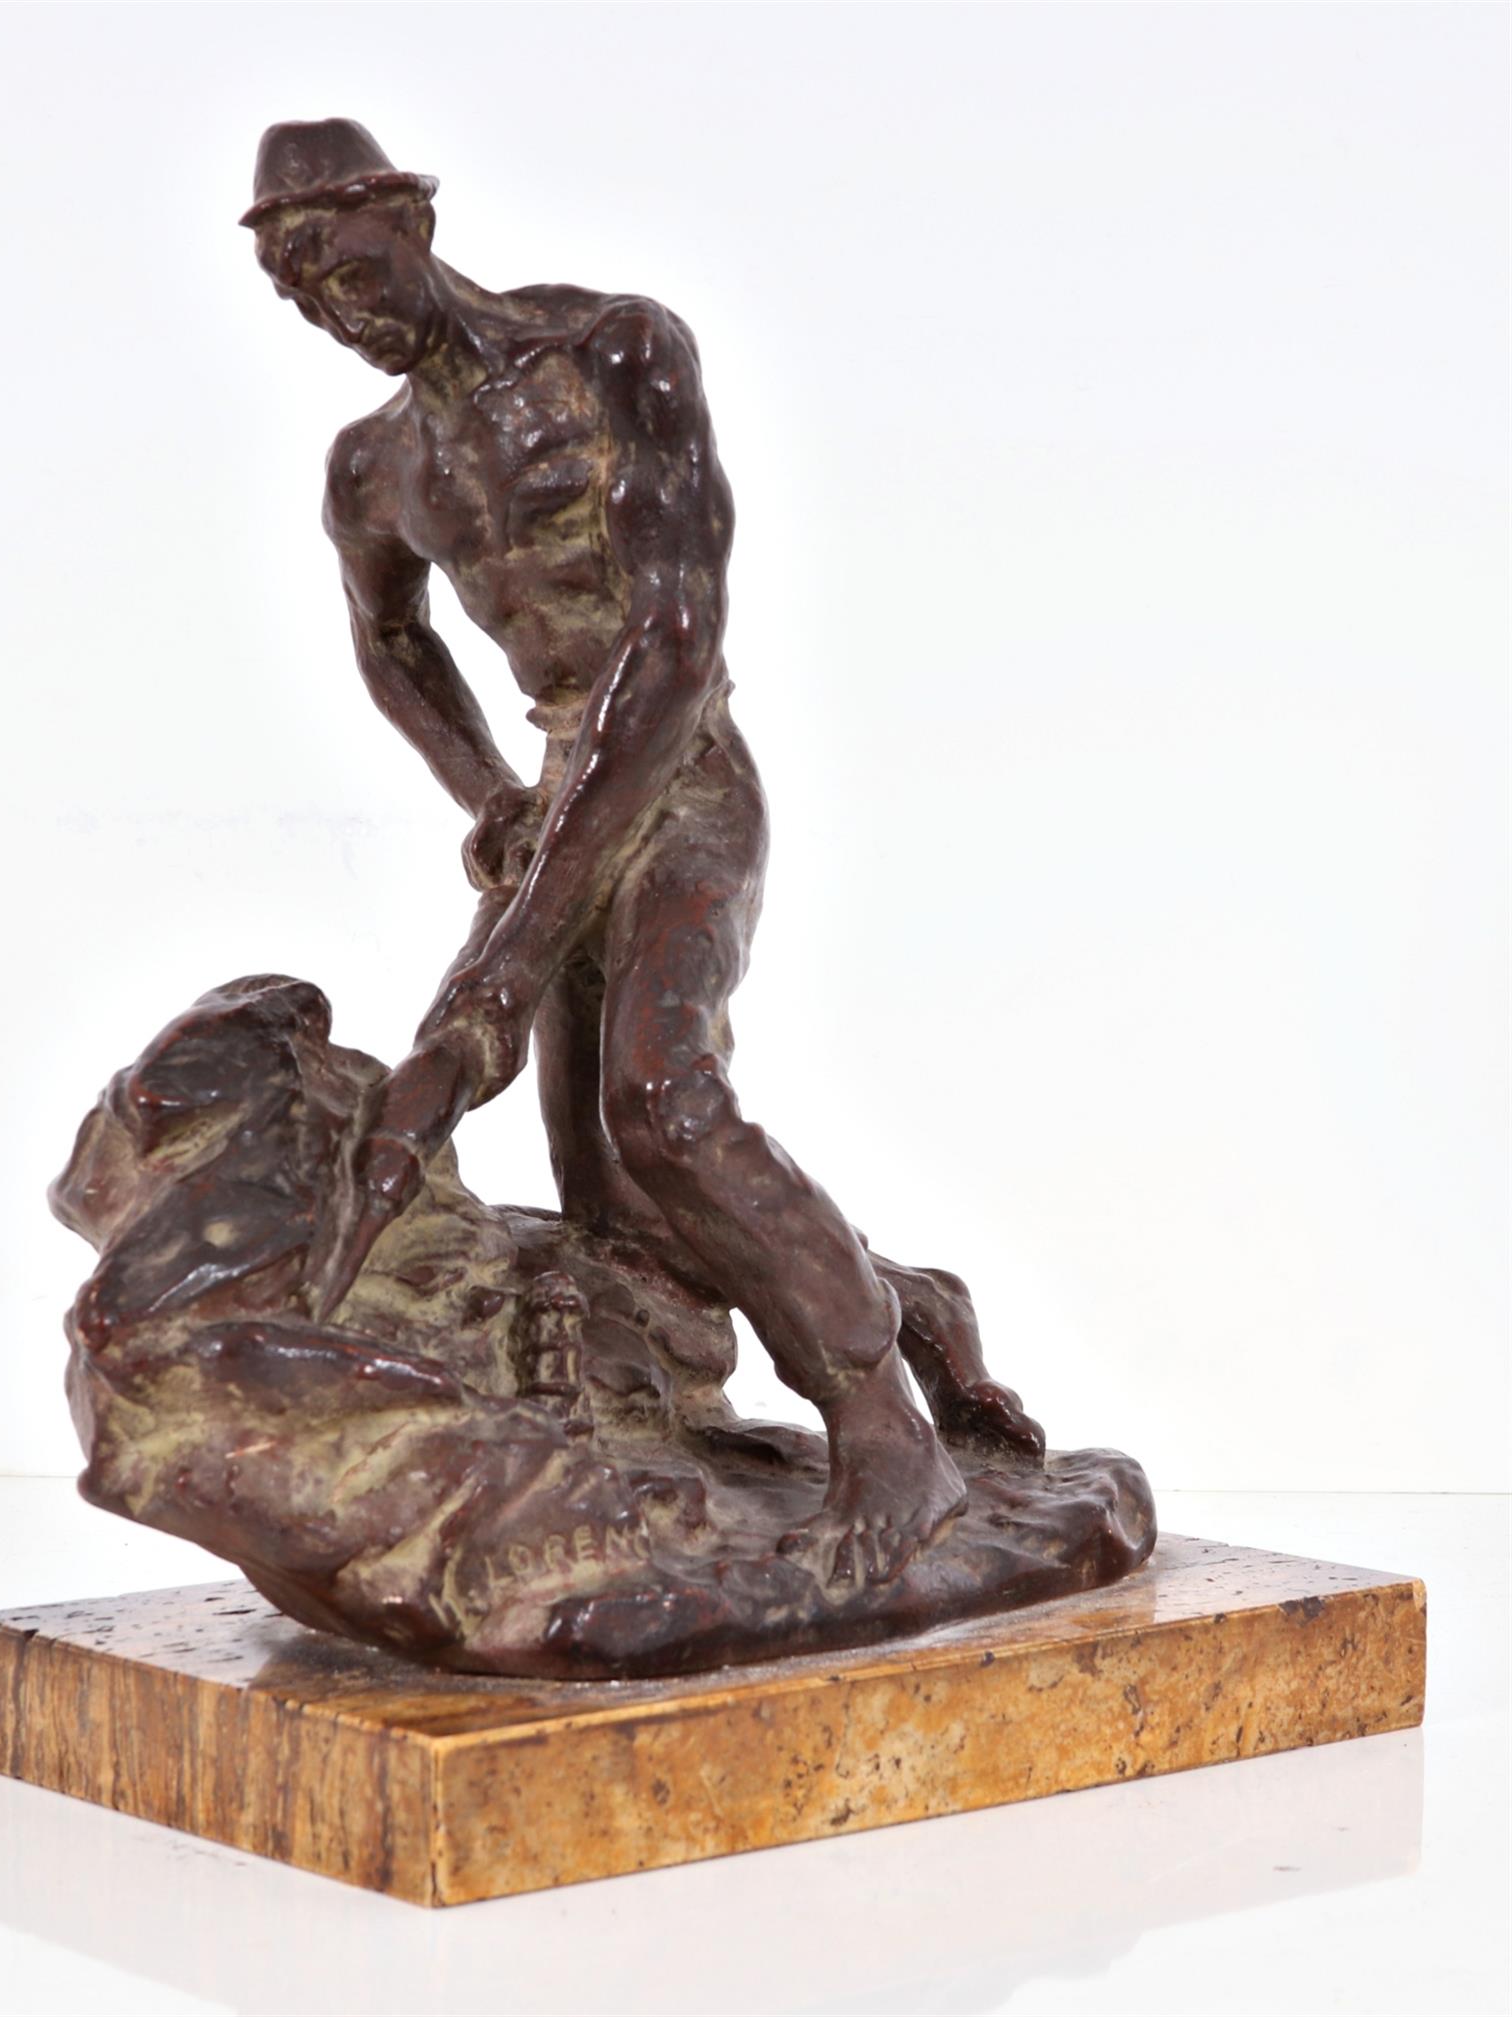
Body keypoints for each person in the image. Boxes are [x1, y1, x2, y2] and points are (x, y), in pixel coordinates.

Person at [243, 119, 1039, 1584]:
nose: (336, 314)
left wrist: (498, 973)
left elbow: (674, 646)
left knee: (664, 1107)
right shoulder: (373, 469)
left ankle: (885, 1429)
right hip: (560, 796)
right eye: (301, 297)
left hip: (683, 776)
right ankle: (906, 1302)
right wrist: (489, 790)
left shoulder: (616, 353)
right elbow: (391, 642)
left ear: (409, 219)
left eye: (344, 270)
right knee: (616, 1213)